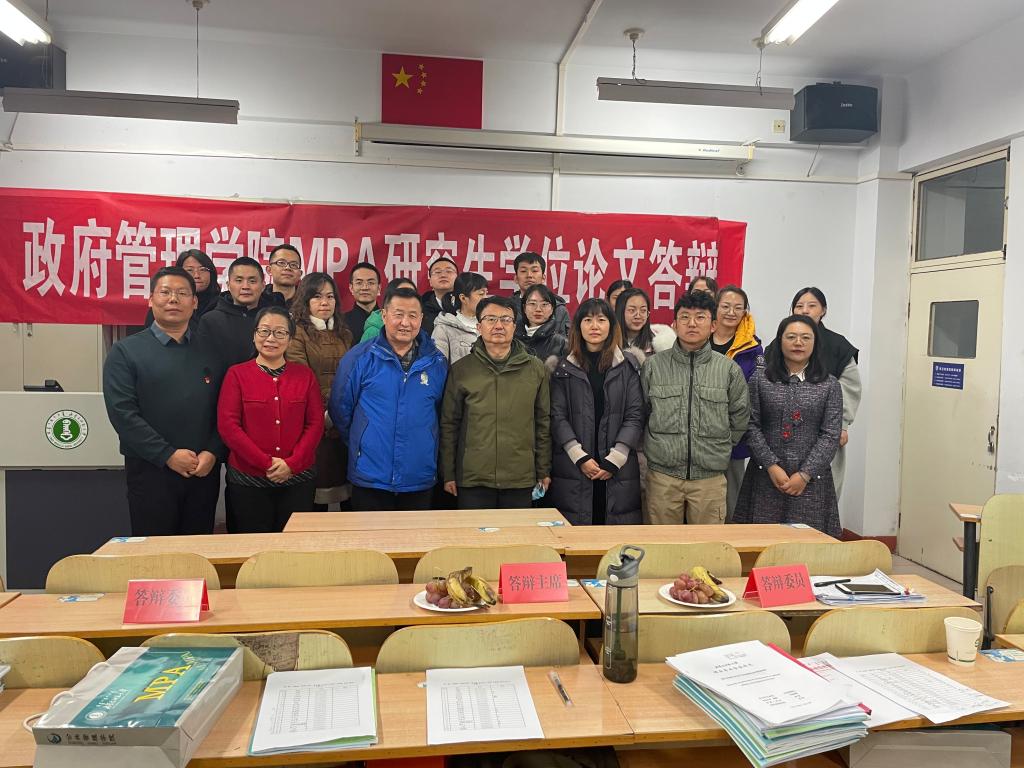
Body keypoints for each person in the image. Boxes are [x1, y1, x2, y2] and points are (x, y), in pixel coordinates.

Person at [103, 266, 226, 536]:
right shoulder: (125, 352)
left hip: (202, 470)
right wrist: (167, 455)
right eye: (165, 292)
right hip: (151, 471)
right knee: (154, 551)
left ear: (194, 302)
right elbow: (123, 413)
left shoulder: (212, 351)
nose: (173, 299)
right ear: (151, 299)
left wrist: (213, 452)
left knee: (198, 550)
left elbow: (226, 410)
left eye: (182, 293)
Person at [329, 286, 448, 511]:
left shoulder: (436, 362)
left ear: (421, 319)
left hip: (418, 473)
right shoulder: (359, 358)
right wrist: (362, 440)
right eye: (398, 314)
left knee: (415, 534)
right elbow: (340, 410)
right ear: (384, 315)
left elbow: (443, 414)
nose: (405, 323)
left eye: (412, 316)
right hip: (370, 474)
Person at [640, 291, 750, 525]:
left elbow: (740, 416)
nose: (692, 323)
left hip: (709, 479)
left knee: (708, 545)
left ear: (713, 325)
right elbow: (641, 412)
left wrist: (718, 448)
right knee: (661, 543)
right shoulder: (653, 367)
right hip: (663, 477)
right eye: (685, 317)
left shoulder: (728, 370)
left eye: (700, 317)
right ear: (674, 324)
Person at [733, 315, 843, 537]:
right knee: (761, 541)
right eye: (791, 337)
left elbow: (830, 435)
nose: (798, 343)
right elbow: (751, 425)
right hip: (766, 475)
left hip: (812, 480)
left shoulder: (829, 384)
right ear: (780, 340)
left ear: (815, 343)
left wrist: (805, 474)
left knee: (807, 544)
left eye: (805, 338)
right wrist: (771, 466)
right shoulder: (761, 380)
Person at [218, 307, 323, 533]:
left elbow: (315, 424)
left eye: (280, 332)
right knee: (251, 545)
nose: (271, 339)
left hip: (298, 478)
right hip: (249, 481)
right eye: (264, 331)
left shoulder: (305, 376)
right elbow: (229, 426)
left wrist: (291, 464)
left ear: (290, 339)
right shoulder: (236, 374)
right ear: (254, 335)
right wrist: (266, 463)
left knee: (294, 544)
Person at [440, 296, 551, 509]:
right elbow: (449, 424)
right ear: (479, 326)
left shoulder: (536, 369)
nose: (498, 326)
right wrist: (448, 473)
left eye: (506, 319)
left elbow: (543, 423)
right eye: (491, 319)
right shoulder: (462, 369)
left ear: (515, 326)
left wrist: (543, 469)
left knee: (517, 532)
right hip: (473, 478)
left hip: (520, 477)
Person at [549, 299, 644, 526]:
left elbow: (635, 414)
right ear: (578, 326)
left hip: (618, 467)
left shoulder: (627, 366)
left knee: (615, 536)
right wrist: (579, 457)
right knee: (575, 535)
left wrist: (615, 459)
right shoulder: (563, 368)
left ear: (611, 325)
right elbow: (557, 416)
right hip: (574, 466)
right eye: (587, 320)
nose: (594, 326)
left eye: (601, 320)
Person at [765, 287, 860, 498]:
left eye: (812, 305)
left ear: (823, 310)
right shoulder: (777, 345)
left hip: (825, 432)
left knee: (820, 494)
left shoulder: (838, 345)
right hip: (780, 435)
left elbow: (850, 387)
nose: (805, 310)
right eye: (799, 306)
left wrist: (842, 424)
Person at [286, 273, 354, 510]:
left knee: (349, 493)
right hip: (313, 419)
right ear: (305, 300)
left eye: (330, 296)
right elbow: (302, 379)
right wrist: (326, 413)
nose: (324, 302)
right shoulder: (296, 333)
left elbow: (352, 377)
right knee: (315, 495)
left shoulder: (345, 333)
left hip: (345, 420)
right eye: (317, 297)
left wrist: (343, 412)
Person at [711, 285, 765, 519]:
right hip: (699, 432)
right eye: (726, 306)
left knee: (732, 492)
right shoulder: (700, 340)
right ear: (716, 308)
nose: (731, 312)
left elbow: (754, 392)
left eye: (738, 307)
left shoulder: (752, 348)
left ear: (745, 312)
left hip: (734, 432)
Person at [198, 256, 282, 367]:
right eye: (239, 281)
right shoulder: (211, 320)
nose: (245, 286)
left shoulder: (275, 319)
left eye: (252, 281)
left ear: (263, 286)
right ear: (228, 285)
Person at [144, 249, 220, 326]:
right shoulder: (165, 305)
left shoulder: (221, 306)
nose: (196, 275)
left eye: (202, 269)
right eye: (190, 270)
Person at [432, 271, 488, 364]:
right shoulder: (444, 328)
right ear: (463, 298)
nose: (486, 298)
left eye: (486, 293)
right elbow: (438, 365)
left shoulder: (489, 324)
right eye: (481, 294)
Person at [511, 251, 570, 336]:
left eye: (534, 271)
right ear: (516, 278)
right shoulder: (507, 307)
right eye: (523, 271)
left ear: (543, 278)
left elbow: (566, 341)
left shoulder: (559, 309)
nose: (529, 275)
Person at [615, 287, 676, 359]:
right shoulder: (610, 341)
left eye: (643, 310)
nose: (638, 316)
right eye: (632, 310)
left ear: (648, 313)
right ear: (620, 312)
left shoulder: (660, 343)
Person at [515, 283, 568, 365]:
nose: (538, 309)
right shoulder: (511, 338)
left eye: (544, 304)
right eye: (532, 304)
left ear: (552, 309)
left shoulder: (561, 343)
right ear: (524, 308)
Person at [361, 277, 418, 342]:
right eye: (401, 294)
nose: (407, 298)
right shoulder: (373, 332)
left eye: (411, 294)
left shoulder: (417, 329)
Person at [344, 261, 381, 341]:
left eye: (371, 283)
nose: (365, 287)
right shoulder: (340, 322)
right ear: (351, 288)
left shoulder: (388, 319)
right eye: (359, 283)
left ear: (379, 288)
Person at [422, 257, 457, 335]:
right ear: (430, 282)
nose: (443, 275)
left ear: (457, 279)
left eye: (449, 271)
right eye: (437, 272)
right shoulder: (421, 309)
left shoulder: (467, 306)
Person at [265, 244, 303, 310]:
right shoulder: (258, 299)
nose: (288, 268)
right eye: (281, 263)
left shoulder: (307, 301)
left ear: (300, 274)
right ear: (269, 270)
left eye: (293, 265)